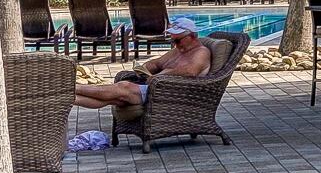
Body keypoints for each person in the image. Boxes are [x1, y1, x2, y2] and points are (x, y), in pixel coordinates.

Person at [73, 25, 220, 114]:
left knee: (122, 87)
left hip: (173, 94)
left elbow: (191, 71)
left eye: (178, 40)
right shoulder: (179, 50)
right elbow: (157, 62)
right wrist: (145, 68)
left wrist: (163, 74)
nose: (175, 44)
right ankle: (68, 98)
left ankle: (71, 88)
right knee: (114, 99)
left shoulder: (202, 52)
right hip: (159, 88)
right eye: (173, 40)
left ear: (192, 36)